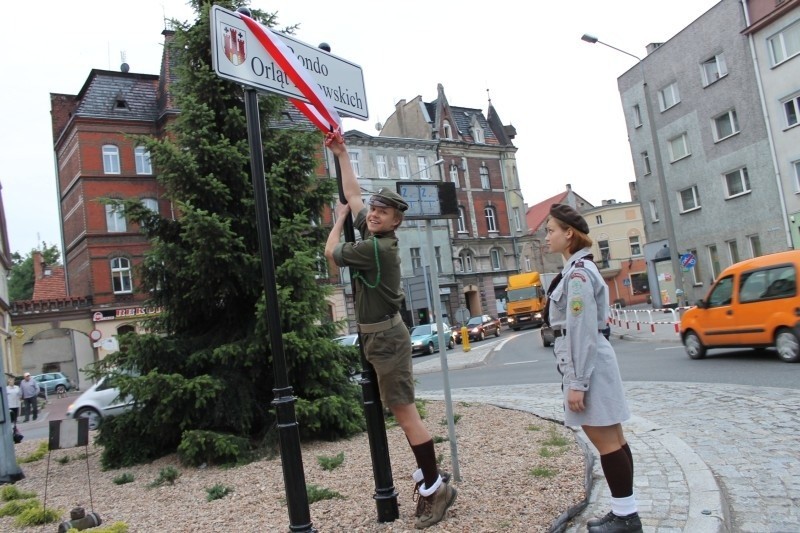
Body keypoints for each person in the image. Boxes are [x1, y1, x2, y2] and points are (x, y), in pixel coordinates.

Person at [323, 132, 456, 529]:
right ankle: (433, 482)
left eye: (383, 212)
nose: (374, 214)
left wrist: (340, 220)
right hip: (377, 335)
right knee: (400, 412)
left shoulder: (377, 248)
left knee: (405, 414)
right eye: (374, 209)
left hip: (386, 339)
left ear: (397, 221)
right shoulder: (377, 235)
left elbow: (331, 253)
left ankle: (435, 489)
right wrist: (342, 154)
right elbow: (354, 194)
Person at [544, 204, 642, 533]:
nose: (547, 236)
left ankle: (626, 517)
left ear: (568, 233)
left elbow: (581, 331)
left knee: (606, 440)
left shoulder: (579, 275)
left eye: (551, 230)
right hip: (595, 361)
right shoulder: (578, 270)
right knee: (613, 437)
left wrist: (577, 382)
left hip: (589, 365)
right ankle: (624, 511)